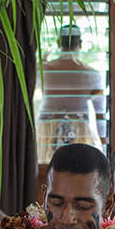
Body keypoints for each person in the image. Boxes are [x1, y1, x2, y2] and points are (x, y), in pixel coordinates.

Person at [37, 25, 106, 163]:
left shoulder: (43, 69)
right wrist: (104, 146)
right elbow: (100, 114)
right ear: (80, 44)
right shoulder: (92, 74)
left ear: (58, 43)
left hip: (47, 130)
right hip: (78, 130)